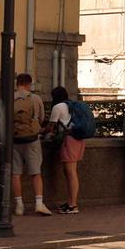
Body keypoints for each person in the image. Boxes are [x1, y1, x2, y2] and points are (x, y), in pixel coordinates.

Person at [2, 73, 51, 216]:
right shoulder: (35, 99)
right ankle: (39, 203)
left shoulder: (8, 98)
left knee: (16, 174)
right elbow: (41, 119)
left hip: (14, 140)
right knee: (36, 172)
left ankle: (19, 205)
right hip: (32, 140)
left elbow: (1, 121)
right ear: (29, 84)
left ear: (17, 84)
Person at [46, 86, 84, 214]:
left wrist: (40, 131)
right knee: (69, 172)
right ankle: (70, 202)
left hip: (69, 141)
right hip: (78, 139)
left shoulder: (57, 107)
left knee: (71, 172)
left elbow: (50, 127)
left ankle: (73, 205)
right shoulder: (70, 105)